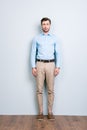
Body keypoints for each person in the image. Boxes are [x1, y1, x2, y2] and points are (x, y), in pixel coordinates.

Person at [31, 17, 61, 120]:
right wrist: (33, 67)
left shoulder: (54, 38)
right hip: (39, 64)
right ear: (41, 26)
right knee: (39, 90)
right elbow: (32, 53)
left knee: (50, 90)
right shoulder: (36, 38)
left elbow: (58, 53)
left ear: (50, 25)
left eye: (47, 24)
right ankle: (40, 112)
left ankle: (50, 112)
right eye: (43, 24)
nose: (45, 26)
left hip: (51, 64)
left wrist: (58, 66)